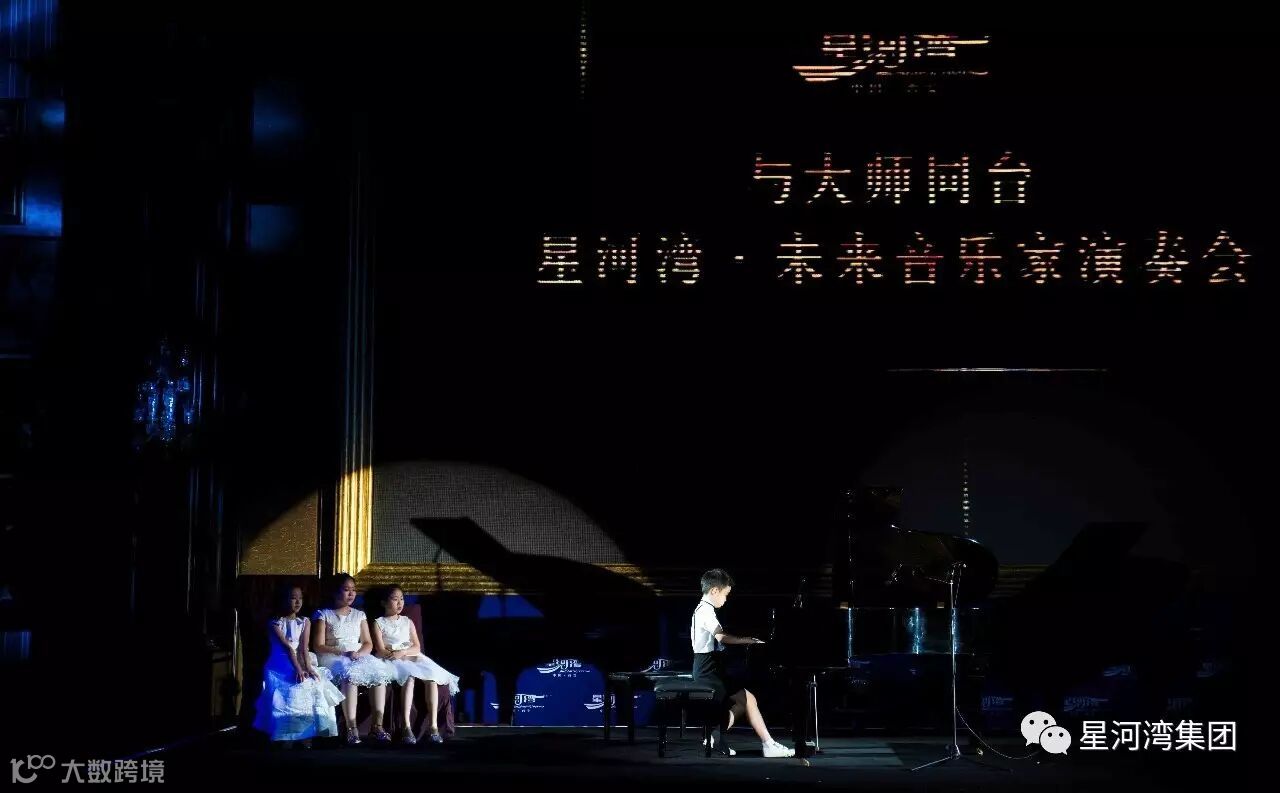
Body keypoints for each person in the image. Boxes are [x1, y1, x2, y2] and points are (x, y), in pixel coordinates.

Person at [692, 568, 794, 758]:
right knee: (747, 699)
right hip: (708, 670)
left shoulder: (703, 609)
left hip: (708, 666)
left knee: (746, 700)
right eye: (725, 595)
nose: (726, 599)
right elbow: (722, 638)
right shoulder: (706, 611)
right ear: (714, 590)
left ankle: (715, 736)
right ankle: (767, 745)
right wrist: (749, 640)